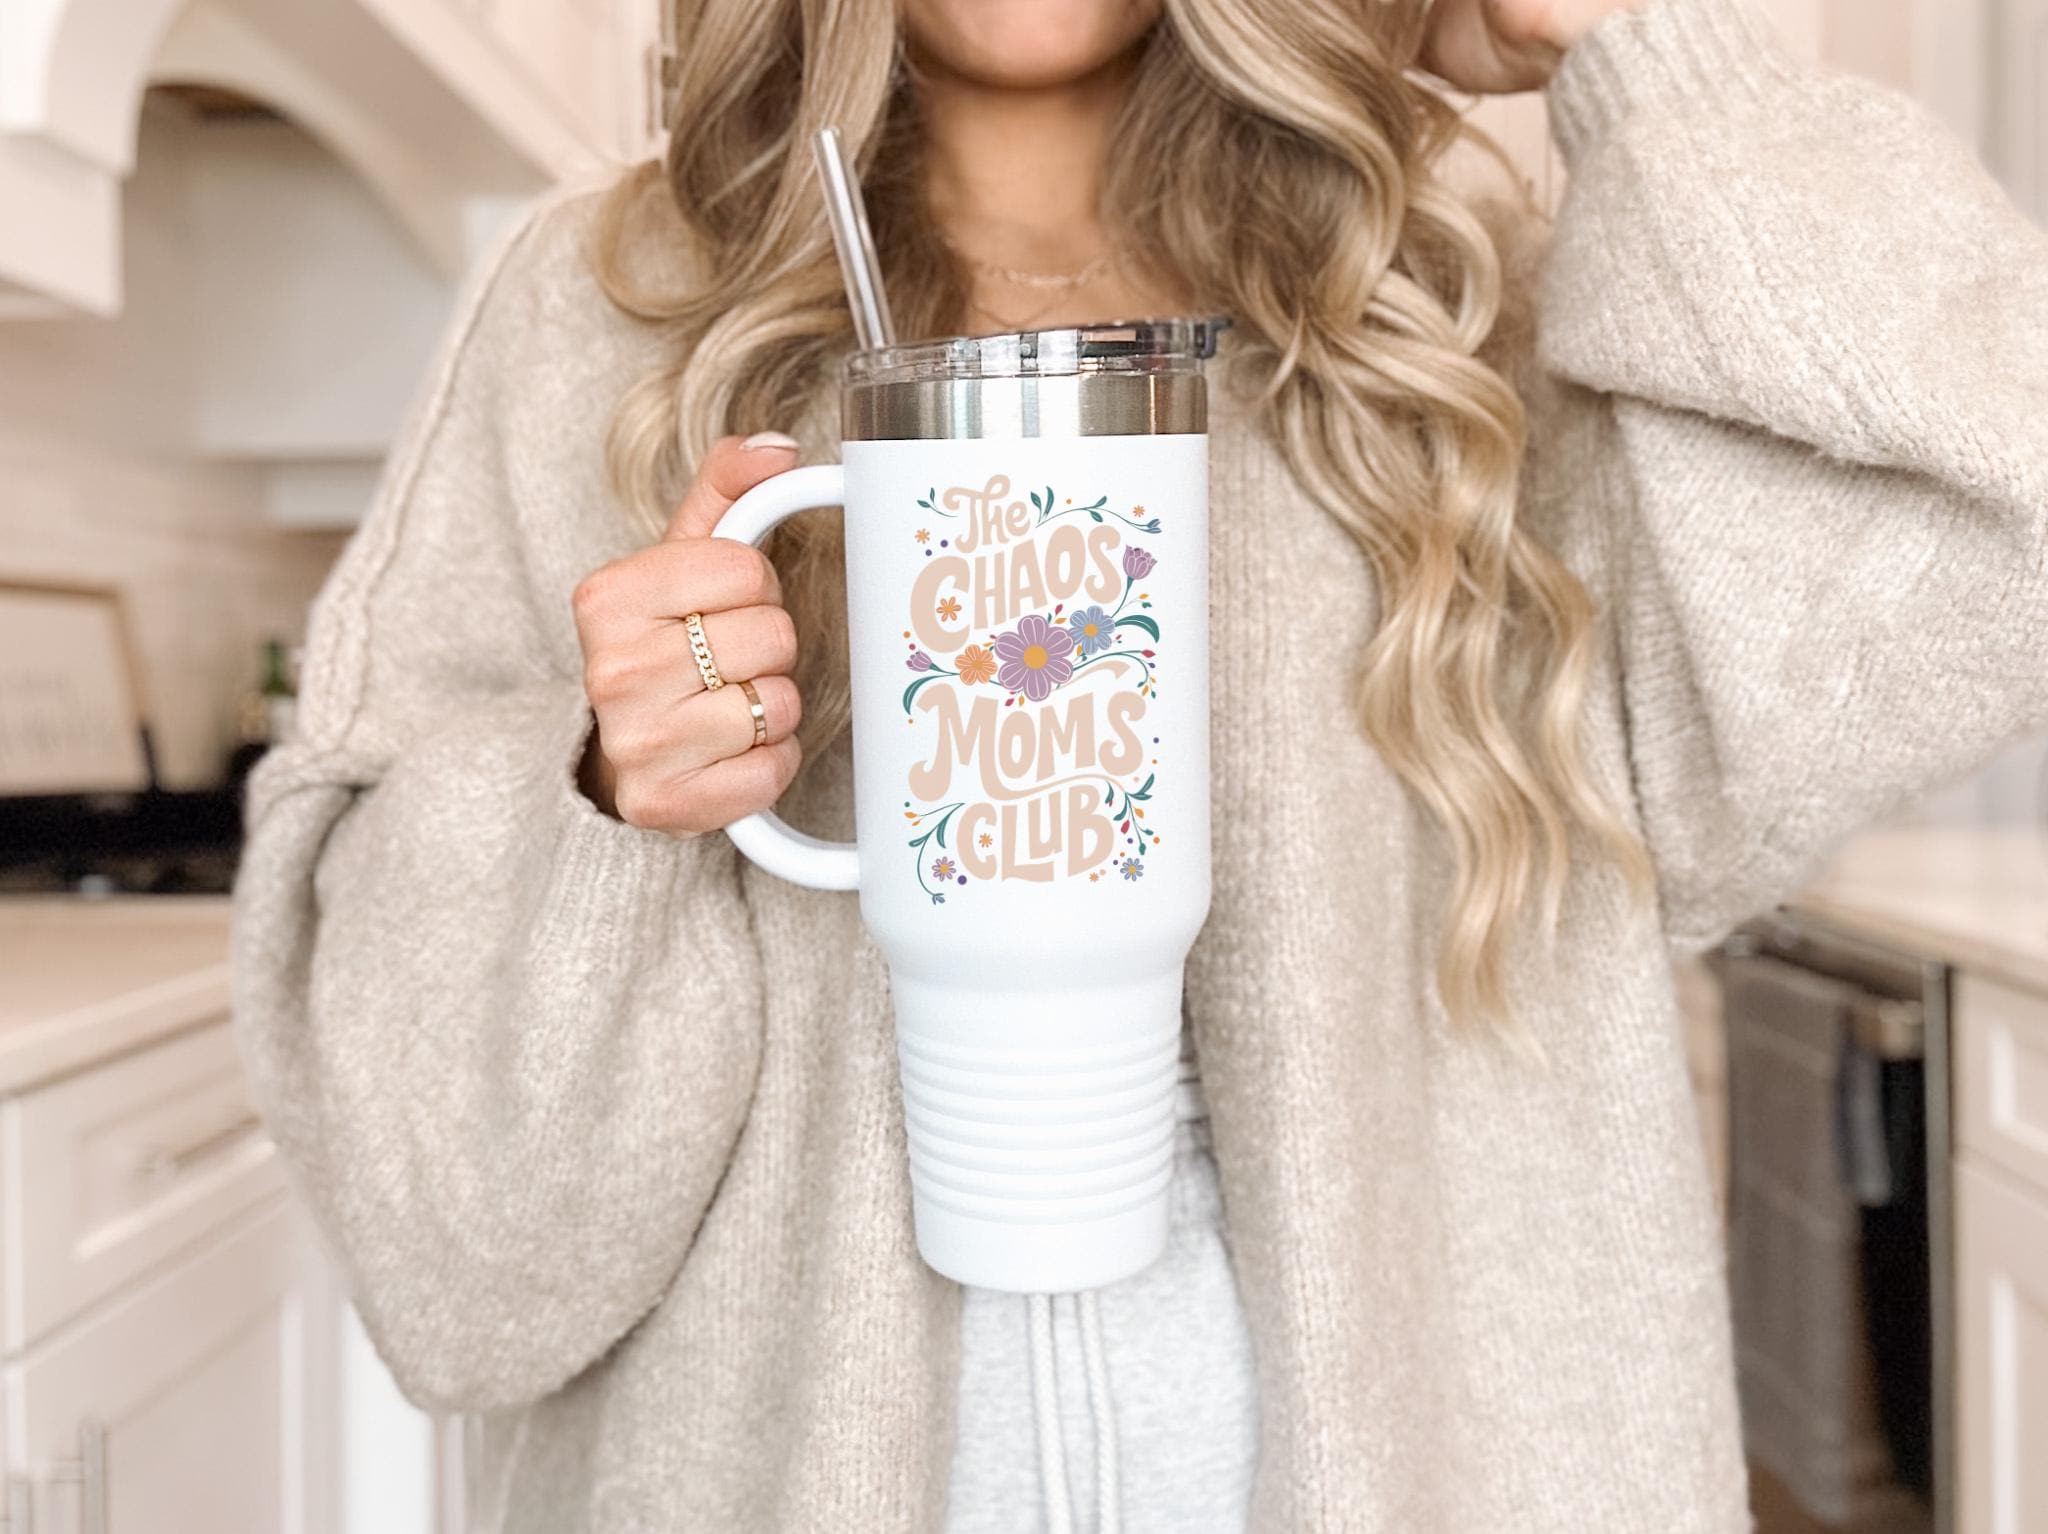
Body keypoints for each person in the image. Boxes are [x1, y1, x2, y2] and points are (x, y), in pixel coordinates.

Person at [229, 0, 2048, 1528]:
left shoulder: (1453, 306)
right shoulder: (600, 309)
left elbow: (1994, 556)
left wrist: (1644, 49)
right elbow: (457, 1271)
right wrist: (600, 796)